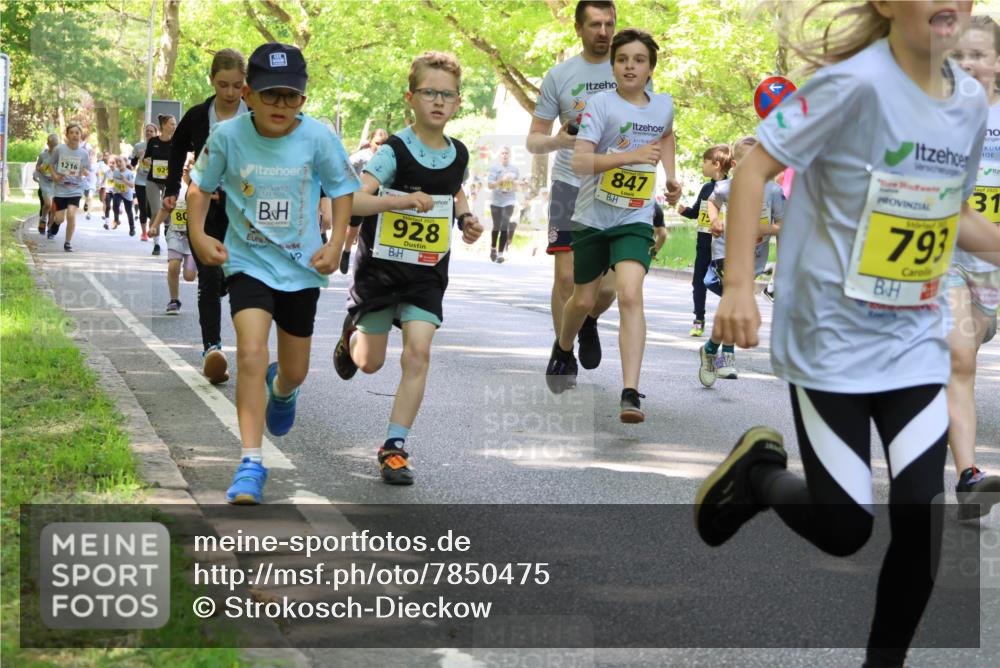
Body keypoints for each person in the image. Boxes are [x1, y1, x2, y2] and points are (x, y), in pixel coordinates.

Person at [692, 3, 1000, 666]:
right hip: (827, 339)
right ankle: (761, 478)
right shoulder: (852, 85)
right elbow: (751, 172)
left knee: (922, 516)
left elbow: (954, 209)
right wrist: (740, 288)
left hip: (913, 338)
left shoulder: (970, 103)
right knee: (845, 528)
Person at [187, 42, 359, 505]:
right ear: (247, 93)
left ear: (303, 97)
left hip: (302, 268)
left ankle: (281, 390)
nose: (280, 105)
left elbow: (343, 190)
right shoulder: (226, 137)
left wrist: (336, 242)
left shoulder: (319, 138)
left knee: (295, 371)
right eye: (269, 94)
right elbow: (199, 189)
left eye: (291, 96)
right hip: (248, 264)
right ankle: (249, 463)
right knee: (249, 351)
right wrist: (199, 236)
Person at [333, 51, 484, 486]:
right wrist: (400, 200)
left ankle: (394, 447)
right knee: (370, 362)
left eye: (447, 94)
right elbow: (356, 201)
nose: (438, 101)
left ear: (457, 102)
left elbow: (454, 196)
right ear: (410, 98)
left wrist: (468, 219)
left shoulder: (458, 153)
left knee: (418, 352)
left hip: (426, 271)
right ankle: (352, 334)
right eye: (429, 92)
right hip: (381, 270)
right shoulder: (393, 151)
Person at [545, 28, 680, 423]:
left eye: (639, 60)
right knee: (583, 300)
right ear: (613, 65)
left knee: (630, 294)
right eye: (622, 60)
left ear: (651, 68)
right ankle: (563, 345)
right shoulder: (600, 106)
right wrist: (631, 155)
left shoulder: (663, 105)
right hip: (591, 217)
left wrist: (671, 177)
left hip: (634, 217)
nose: (629, 66)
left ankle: (631, 392)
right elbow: (583, 162)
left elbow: (667, 135)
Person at [527, 0, 624, 372]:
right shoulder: (559, 76)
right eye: (595, 24)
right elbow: (534, 140)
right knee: (566, 276)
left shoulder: (629, 69)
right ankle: (563, 353)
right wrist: (558, 140)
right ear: (578, 29)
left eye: (609, 24)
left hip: (615, 187)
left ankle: (589, 320)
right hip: (569, 185)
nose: (603, 32)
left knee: (608, 287)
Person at [163, 48, 248, 384]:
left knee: (235, 276)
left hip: (245, 211)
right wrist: (172, 187)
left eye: (237, 86)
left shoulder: (256, 113)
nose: (230, 93)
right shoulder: (199, 116)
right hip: (206, 208)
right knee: (209, 278)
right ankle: (212, 349)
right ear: (212, 80)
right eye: (223, 85)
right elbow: (177, 148)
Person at [946, 13, 1000, 519]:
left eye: (978, 55)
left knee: (972, 345)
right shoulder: (936, 115)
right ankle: (969, 474)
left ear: (997, 63)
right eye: (959, 54)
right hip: (949, 259)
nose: (968, 64)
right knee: (960, 358)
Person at [698, 137, 783, 385]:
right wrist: (714, 220)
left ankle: (710, 348)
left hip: (754, 258)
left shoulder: (774, 191)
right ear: (735, 164)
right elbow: (712, 202)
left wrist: (763, 229)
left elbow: (783, 225)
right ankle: (726, 357)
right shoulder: (727, 187)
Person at [676, 144, 732, 337]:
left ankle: (732, 312)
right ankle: (698, 319)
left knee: (718, 282)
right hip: (703, 245)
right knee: (698, 282)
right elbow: (697, 212)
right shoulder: (706, 188)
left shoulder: (731, 189)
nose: (702, 165)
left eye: (704, 162)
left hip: (723, 247)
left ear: (716, 164)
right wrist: (685, 211)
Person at [342, 128, 389, 273]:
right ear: (370, 142)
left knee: (374, 228)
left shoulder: (389, 157)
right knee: (354, 226)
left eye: (384, 143)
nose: (380, 146)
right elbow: (345, 166)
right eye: (378, 143)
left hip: (379, 197)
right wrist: (352, 182)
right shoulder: (362, 156)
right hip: (360, 195)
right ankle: (346, 251)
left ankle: (371, 259)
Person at [46, 123, 92, 252]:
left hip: (76, 189)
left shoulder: (84, 153)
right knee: (59, 218)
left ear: (80, 136)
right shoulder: (59, 149)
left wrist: (84, 172)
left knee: (71, 214)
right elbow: (50, 164)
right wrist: (54, 175)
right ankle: (55, 225)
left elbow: (87, 170)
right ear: (67, 135)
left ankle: (67, 242)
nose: (74, 135)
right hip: (61, 189)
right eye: (71, 132)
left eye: (77, 133)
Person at [164, 157, 199, 314]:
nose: (187, 166)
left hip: (194, 237)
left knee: (190, 276)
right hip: (175, 233)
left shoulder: (203, 186)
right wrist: (154, 225)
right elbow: (165, 208)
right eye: (184, 163)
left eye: (190, 163)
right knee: (173, 266)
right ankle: (174, 300)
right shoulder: (174, 185)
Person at [141, 114, 177, 256]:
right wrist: (147, 162)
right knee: (156, 211)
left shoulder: (176, 141)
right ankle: (156, 244)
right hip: (153, 181)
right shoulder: (153, 141)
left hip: (169, 181)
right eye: (171, 124)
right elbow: (146, 159)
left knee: (167, 212)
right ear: (163, 126)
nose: (174, 126)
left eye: (175, 124)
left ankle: (170, 243)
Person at [487, 146, 519, 263]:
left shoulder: (515, 169)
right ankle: (493, 248)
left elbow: (516, 185)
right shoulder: (494, 168)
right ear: (499, 155)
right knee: (496, 226)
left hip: (509, 199)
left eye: (506, 153)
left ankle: (500, 254)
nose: (505, 155)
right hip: (496, 201)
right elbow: (490, 185)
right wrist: (501, 180)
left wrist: (513, 186)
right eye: (502, 153)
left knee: (504, 225)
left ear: (510, 155)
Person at [133, 123, 158, 240]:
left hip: (154, 181)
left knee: (151, 208)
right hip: (140, 181)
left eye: (151, 131)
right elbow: (132, 164)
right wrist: (137, 159)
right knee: (143, 207)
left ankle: (152, 227)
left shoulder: (159, 146)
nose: (149, 133)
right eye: (147, 131)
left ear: (156, 133)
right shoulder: (139, 146)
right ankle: (144, 233)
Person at [32, 134, 58, 235]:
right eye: (52, 145)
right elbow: (37, 166)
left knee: (54, 207)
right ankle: (43, 219)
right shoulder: (43, 155)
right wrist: (39, 169)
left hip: (55, 183)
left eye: (56, 145)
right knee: (48, 204)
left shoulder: (60, 156)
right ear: (48, 144)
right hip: (45, 182)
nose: (54, 148)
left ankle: (50, 229)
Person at [110, 156, 136, 235]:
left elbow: (132, 185)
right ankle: (116, 220)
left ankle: (132, 228)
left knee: (129, 211)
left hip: (127, 193)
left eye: (120, 161)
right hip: (118, 192)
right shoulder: (115, 172)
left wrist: (124, 180)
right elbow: (114, 182)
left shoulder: (129, 173)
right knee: (115, 205)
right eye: (117, 162)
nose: (118, 163)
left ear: (125, 162)